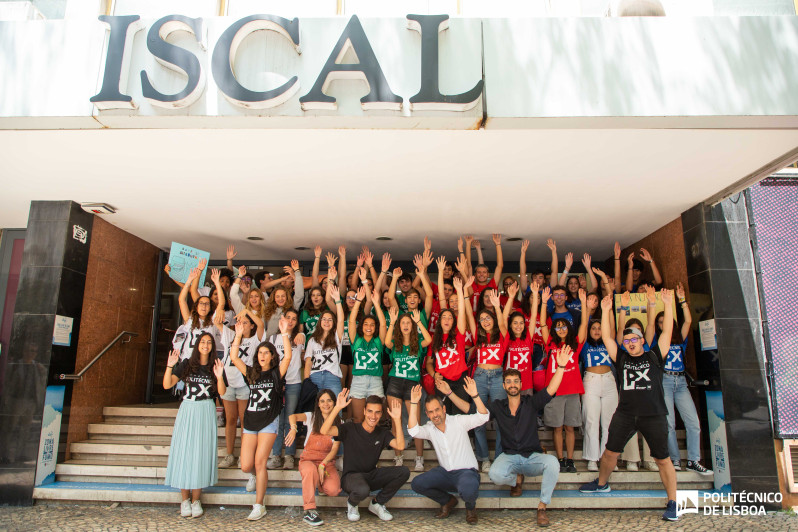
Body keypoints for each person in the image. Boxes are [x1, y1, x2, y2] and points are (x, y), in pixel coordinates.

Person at [579, 292, 681, 522]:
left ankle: (673, 502)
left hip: (653, 415)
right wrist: (605, 311)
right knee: (610, 452)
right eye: (626, 341)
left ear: (642, 340)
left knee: (663, 459)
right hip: (625, 413)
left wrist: (667, 305)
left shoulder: (655, 356)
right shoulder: (622, 358)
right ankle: (602, 484)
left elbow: (666, 333)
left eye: (634, 339)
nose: (630, 343)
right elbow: (606, 337)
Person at [446, 348, 574, 527]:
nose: (512, 384)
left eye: (515, 381)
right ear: (504, 386)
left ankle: (542, 506)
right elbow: (473, 411)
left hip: (532, 456)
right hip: (510, 456)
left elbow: (551, 389)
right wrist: (452, 393)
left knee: (553, 463)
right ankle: (517, 479)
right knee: (494, 474)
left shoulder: (531, 402)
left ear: (521, 385)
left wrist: (560, 366)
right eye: (508, 382)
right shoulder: (498, 406)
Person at [229, 318, 293, 520]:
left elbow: (289, 357)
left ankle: (259, 504)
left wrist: (284, 333)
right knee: (246, 466)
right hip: (250, 421)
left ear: (272, 356)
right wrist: (238, 335)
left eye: (267, 352)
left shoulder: (276, 373)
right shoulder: (252, 373)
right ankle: (254, 477)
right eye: (260, 352)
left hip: (269, 420)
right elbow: (234, 357)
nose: (263, 355)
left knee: (260, 462)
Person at [645, 284, 712, 475]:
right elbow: (649, 325)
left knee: (693, 422)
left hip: (681, 382)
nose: (661, 324)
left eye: (665, 321)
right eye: (660, 322)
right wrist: (652, 303)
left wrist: (682, 301)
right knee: (669, 424)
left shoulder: (680, 339)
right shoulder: (657, 342)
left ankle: (693, 460)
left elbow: (688, 321)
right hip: (664, 381)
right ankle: (675, 459)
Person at [320, 390, 410, 522]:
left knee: (403, 472)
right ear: (364, 411)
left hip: (371, 475)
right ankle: (352, 504)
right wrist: (337, 408)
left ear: (381, 414)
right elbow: (324, 430)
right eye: (370, 411)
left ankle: (377, 503)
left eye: (377, 412)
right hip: (351, 478)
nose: (373, 416)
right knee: (362, 489)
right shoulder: (350, 428)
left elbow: (400, 446)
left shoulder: (382, 433)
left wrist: (396, 420)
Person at [163, 334, 226, 518]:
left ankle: (196, 499)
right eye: (202, 342)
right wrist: (169, 365)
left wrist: (220, 376)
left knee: (200, 454)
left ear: (212, 346)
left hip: (206, 409)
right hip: (188, 409)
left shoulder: (216, 365)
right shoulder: (187, 364)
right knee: (185, 452)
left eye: (209, 342)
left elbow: (221, 392)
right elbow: (167, 384)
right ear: (197, 345)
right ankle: (184, 500)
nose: (205, 345)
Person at [409, 378, 487, 525]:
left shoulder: (458, 421)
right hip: (445, 474)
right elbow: (413, 431)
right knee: (417, 484)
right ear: (427, 414)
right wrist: (414, 403)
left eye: (437, 410)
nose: (435, 414)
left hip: (466, 473)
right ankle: (448, 501)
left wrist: (475, 396)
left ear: (444, 409)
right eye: (431, 412)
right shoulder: (430, 429)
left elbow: (483, 416)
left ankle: (470, 508)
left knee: (468, 488)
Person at [540, 287, 588, 473]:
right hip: (555, 392)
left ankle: (570, 459)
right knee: (557, 428)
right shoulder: (550, 344)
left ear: (568, 329)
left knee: (570, 428)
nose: (560, 329)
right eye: (557, 326)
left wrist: (584, 303)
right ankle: (560, 459)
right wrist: (544, 302)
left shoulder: (575, 344)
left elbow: (584, 325)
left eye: (563, 326)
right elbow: (543, 324)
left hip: (573, 391)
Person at [384, 306, 433, 470]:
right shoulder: (395, 342)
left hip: (412, 384)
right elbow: (386, 342)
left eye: (408, 323)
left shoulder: (418, 343)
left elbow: (429, 340)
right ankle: (398, 457)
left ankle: (419, 458)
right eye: (403, 322)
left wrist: (418, 321)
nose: (405, 325)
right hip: (395, 383)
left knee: (415, 423)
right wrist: (392, 323)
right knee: (395, 421)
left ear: (412, 326)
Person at [216, 309, 265, 469]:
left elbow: (261, 324)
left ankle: (243, 455)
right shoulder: (231, 336)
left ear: (251, 326)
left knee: (244, 420)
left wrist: (246, 311)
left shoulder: (255, 340)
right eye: (239, 322)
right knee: (230, 420)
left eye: (245, 322)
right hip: (228, 382)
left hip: (244, 384)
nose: (241, 325)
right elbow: (217, 321)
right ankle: (229, 454)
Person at [286, 389, 342, 526]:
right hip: (308, 460)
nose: (326, 404)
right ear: (318, 404)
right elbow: (292, 416)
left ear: (335, 403)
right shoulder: (311, 416)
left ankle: (319, 483)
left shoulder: (340, 422)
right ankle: (309, 510)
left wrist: (323, 465)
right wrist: (293, 428)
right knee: (310, 470)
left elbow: (335, 449)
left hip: (327, 462)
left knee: (334, 490)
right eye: (322, 401)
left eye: (329, 400)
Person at [471, 288, 512, 472]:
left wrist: (497, 307)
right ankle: (484, 458)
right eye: (482, 319)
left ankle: (500, 456)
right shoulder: (478, 336)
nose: (485, 322)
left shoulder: (502, 335)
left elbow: (503, 323)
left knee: (501, 420)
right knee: (479, 419)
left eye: (488, 318)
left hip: (497, 377)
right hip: (479, 376)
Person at [427, 276, 472, 414]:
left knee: (460, 416)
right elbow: (429, 362)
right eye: (444, 317)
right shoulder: (434, 339)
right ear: (439, 321)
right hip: (442, 381)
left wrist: (460, 290)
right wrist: (434, 374)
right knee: (444, 415)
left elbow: (463, 312)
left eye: (450, 317)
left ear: (454, 322)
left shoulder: (459, 335)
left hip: (460, 380)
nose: (447, 320)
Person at [268, 308, 306, 470]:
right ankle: (276, 455)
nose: (290, 321)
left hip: (294, 383)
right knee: (277, 420)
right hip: (277, 383)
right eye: (288, 317)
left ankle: (289, 455)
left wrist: (302, 334)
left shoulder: (300, 338)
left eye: (294, 319)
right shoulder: (273, 338)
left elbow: (304, 351)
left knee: (291, 420)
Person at [581, 311, 617, 472]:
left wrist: (608, 309)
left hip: (609, 381)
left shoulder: (609, 343)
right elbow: (582, 325)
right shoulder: (585, 345)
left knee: (609, 423)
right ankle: (592, 458)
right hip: (591, 381)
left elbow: (614, 329)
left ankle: (607, 458)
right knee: (591, 420)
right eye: (593, 328)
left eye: (600, 328)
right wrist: (586, 308)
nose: (596, 330)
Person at [349, 284, 387, 423]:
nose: (369, 327)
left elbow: (383, 324)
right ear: (362, 326)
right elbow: (351, 321)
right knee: (358, 418)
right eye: (366, 324)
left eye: (372, 324)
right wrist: (358, 301)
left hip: (376, 381)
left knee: (374, 419)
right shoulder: (357, 341)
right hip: (358, 381)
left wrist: (376, 303)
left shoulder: (378, 341)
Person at [174, 268, 225, 361]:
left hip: (206, 361)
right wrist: (189, 280)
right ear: (196, 306)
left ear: (210, 308)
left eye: (207, 304)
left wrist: (217, 283)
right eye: (201, 303)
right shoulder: (190, 320)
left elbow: (221, 303)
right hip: (188, 359)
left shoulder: (213, 321)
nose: (204, 306)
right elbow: (181, 300)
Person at [305, 281, 345, 395]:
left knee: (336, 409)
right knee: (315, 409)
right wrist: (306, 380)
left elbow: (341, 320)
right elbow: (308, 361)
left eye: (330, 320)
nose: (326, 322)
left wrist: (337, 300)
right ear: (320, 322)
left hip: (332, 376)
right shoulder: (312, 340)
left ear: (333, 323)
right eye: (324, 319)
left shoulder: (337, 337)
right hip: (314, 376)